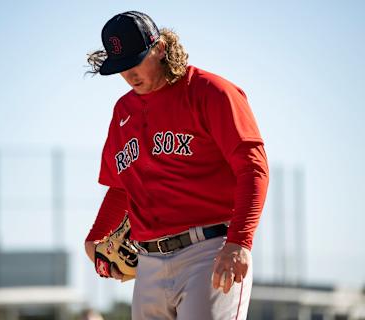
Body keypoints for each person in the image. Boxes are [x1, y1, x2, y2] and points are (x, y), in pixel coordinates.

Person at [84, 11, 269, 320]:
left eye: (135, 61)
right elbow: (121, 187)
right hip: (149, 264)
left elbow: (253, 168)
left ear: (159, 48)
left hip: (208, 253)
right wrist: (96, 236)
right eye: (120, 67)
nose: (128, 75)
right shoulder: (123, 111)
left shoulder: (211, 92)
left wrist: (240, 242)